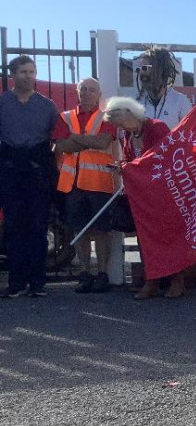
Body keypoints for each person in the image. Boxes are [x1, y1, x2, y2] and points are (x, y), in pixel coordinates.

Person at [104, 97, 181, 299]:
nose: (120, 127)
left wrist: (132, 167)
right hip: (142, 195)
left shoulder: (157, 128)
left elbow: (163, 157)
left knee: (167, 237)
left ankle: (176, 280)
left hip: (163, 193)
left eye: (121, 122)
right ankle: (152, 280)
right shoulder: (128, 135)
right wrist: (123, 165)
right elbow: (132, 159)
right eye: (117, 125)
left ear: (130, 113)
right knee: (145, 238)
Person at [0, 55, 60, 297]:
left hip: (38, 172)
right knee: (14, 227)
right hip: (10, 169)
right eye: (23, 72)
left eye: (32, 71)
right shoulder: (3, 103)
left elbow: (56, 140)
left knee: (38, 227)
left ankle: (38, 282)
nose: (29, 76)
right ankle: (16, 283)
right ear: (13, 74)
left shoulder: (47, 106)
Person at [51, 77, 119, 294]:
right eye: (84, 89)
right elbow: (59, 146)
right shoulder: (65, 116)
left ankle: (102, 275)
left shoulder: (106, 117)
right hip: (72, 185)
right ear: (77, 92)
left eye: (92, 90)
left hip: (99, 183)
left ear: (99, 94)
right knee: (80, 231)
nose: (87, 93)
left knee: (101, 231)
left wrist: (74, 139)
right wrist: (87, 140)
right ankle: (85, 274)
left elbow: (103, 142)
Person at [134, 47, 192, 128]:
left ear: (160, 69)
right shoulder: (137, 103)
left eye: (145, 68)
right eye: (138, 69)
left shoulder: (180, 101)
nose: (141, 72)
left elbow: (189, 134)